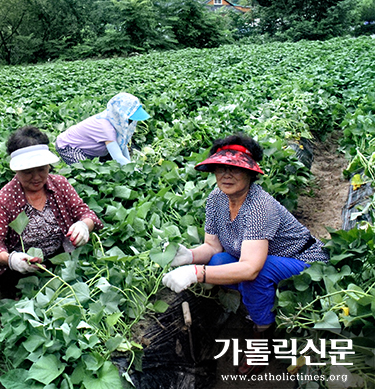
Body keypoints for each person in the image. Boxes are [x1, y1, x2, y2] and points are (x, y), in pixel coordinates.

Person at [161, 134, 329, 375]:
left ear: (250, 173)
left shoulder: (260, 206)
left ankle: (262, 335)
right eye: (221, 168)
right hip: (266, 260)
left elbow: (251, 268)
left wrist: (196, 273)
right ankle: (261, 305)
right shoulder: (216, 199)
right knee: (219, 261)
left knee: (257, 275)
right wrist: (189, 256)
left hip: (305, 263)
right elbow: (213, 248)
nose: (226, 175)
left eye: (235, 169)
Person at [0, 126, 103, 319]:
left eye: (42, 169)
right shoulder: (5, 199)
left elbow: (85, 213)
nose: (37, 177)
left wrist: (83, 226)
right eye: (28, 171)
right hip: (21, 271)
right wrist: (12, 260)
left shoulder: (60, 184)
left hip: (58, 259)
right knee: (24, 315)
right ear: (16, 169)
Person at [55, 92, 150, 166]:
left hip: (88, 149)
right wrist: (136, 171)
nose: (131, 122)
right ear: (120, 114)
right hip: (69, 147)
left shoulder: (114, 120)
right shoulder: (106, 127)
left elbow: (122, 144)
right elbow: (118, 157)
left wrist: (130, 164)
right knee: (86, 170)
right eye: (129, 119)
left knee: (108, 166)